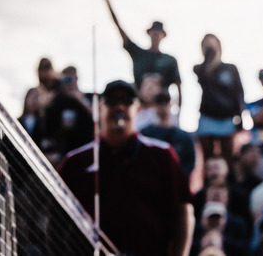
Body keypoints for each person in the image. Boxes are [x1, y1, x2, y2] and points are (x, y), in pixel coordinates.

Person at [57, 79, 193, 256]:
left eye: (127, 102)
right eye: (112, 102)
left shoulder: (162, 156)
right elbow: (56, 219)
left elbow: (183, 211)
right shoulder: (75, 162)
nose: (119, 108)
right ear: (99, 109)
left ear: (137, 109)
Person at [100, 0, 183, 109]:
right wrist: (107, 0)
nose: (155, 34)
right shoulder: (138, 53)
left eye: (158, 32)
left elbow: (179, 87)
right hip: (140, 108)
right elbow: (119, 27)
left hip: (162, 111)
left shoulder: (170, 60)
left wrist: (177, 115)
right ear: (149, 33)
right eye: (153, 31)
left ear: (163, 35)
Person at [193, 33, 246, 161]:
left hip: (227, 118)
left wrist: (240, 116)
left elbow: (238, 93)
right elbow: (203, 78)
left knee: (227, 158)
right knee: (208, 158)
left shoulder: (230, 68)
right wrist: (209, 58)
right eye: (207, 45)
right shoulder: (200, 68)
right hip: (207, 118)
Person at [141, 90, 197, 182]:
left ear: (170, 104)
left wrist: (178, 176)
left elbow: (190, 162)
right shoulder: (146, 134)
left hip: (177, 182)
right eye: (159, 103)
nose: (163, 107)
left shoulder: (184, 137)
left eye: (165, 103)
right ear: (154, 106)